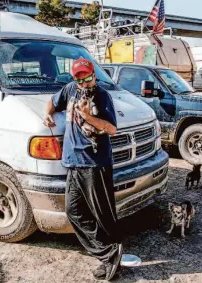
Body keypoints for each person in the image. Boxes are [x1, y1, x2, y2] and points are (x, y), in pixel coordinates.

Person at [43, 58, 123, 281]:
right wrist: (48, 113)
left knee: (102, 215)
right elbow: (52, 101)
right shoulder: (70, 90)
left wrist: (88, 116)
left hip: (94, 164)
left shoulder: (102, 96)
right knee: (74, 211)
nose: (84, 82)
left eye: (87, 77)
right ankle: (109, 252)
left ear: (94, 75)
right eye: (79, 78)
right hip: (73, 162)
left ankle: (110, 257)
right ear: (74, 78)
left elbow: (112, 129)